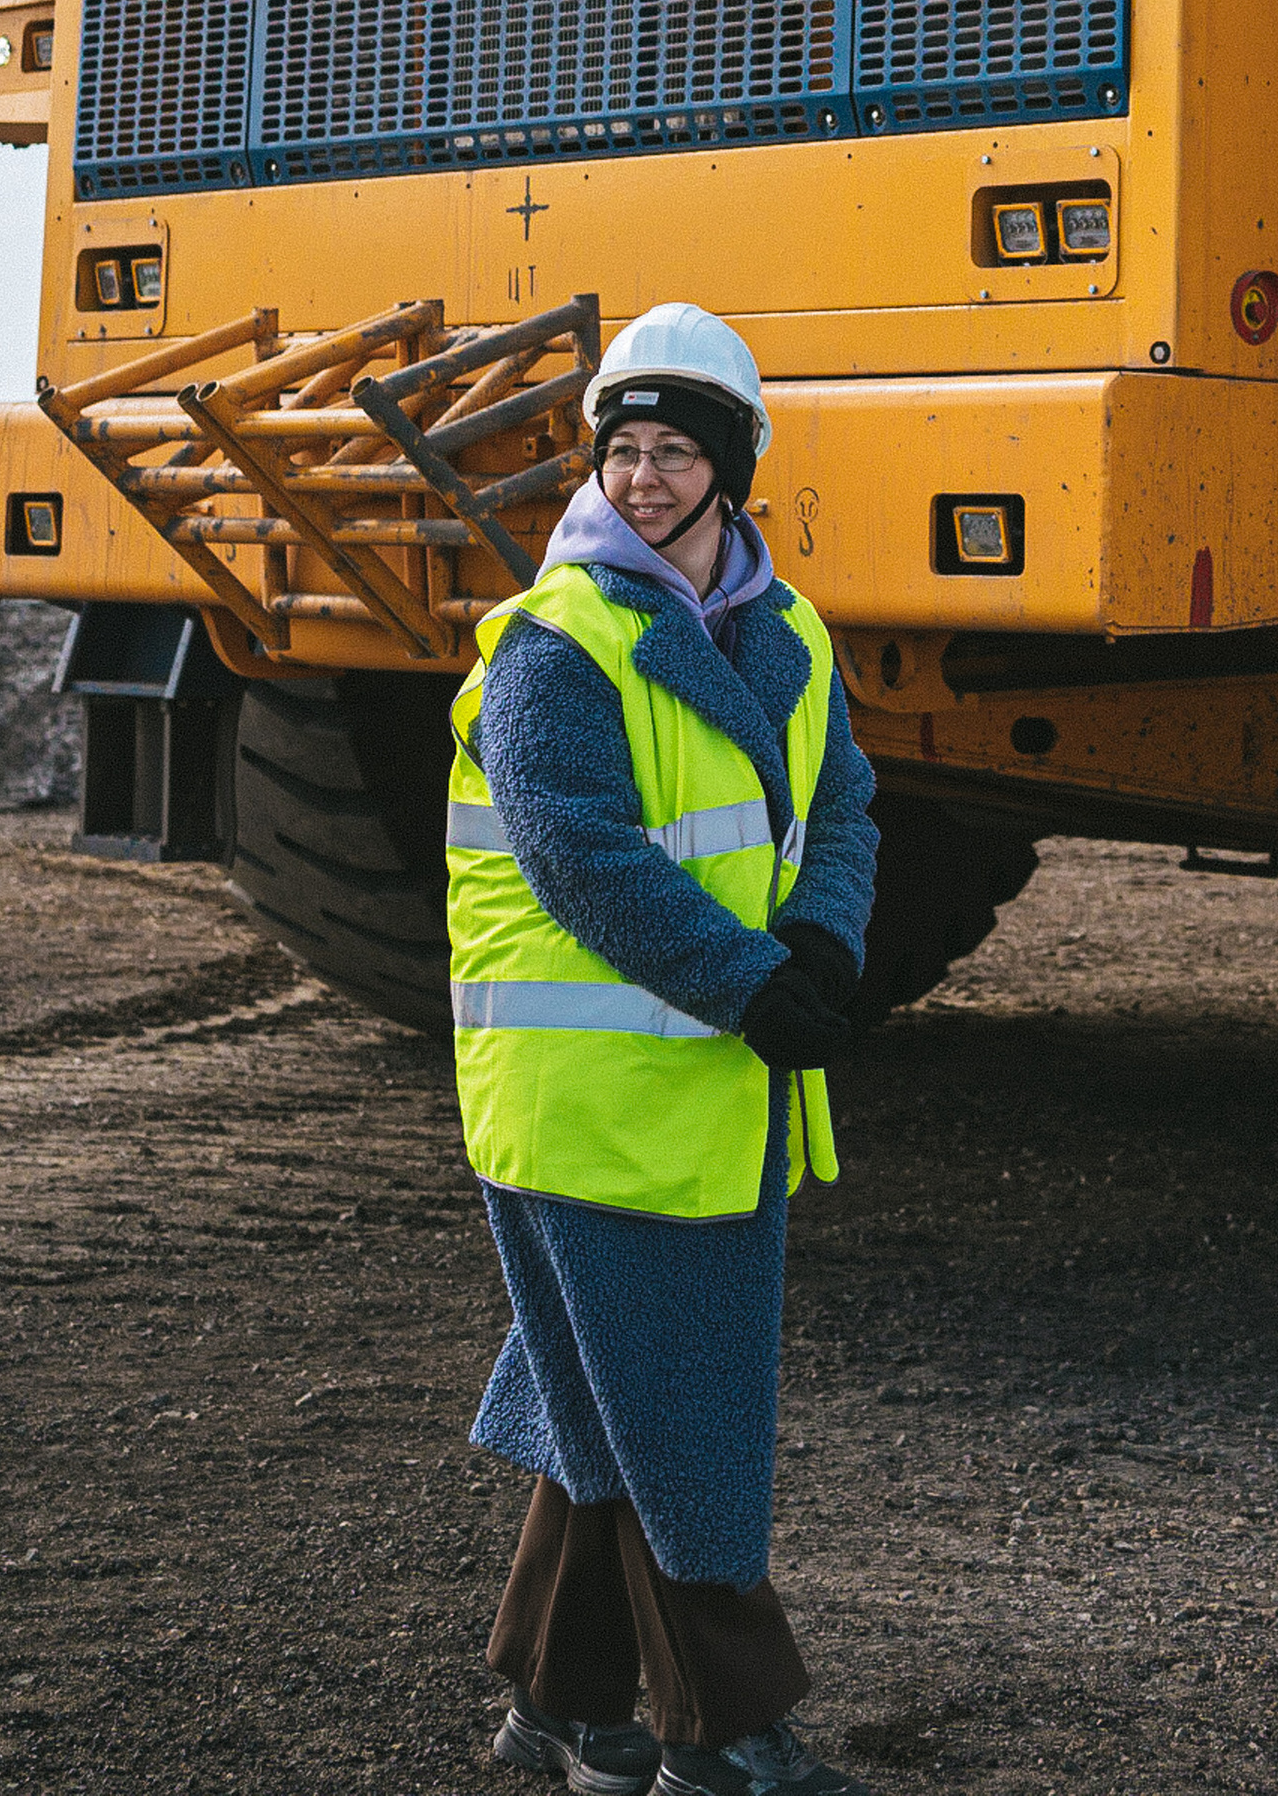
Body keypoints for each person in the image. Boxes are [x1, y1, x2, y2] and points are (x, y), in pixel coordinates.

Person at [453, 302, 879, 1796]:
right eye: (621, 450)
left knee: (611, 1396)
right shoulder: (555, 643)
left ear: (731, 470)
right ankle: (729, 1733)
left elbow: (845, 806)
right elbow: (582, 854)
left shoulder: (790, 633)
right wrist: (755, 982)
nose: (640, 478)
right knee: (676, 1408)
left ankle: (558, 1701)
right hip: (596, 1097)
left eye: (673, 450)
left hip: (705, 1086)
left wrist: (824, 938)